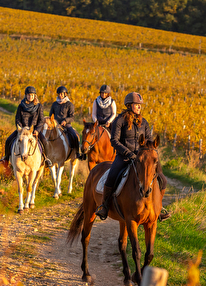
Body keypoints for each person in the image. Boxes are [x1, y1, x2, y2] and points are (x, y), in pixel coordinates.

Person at [95, 92, 170, 221]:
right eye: (137, 105)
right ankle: (104, 206)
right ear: (129, 105)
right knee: (112, 176)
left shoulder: (144, 122)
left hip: (142, 159)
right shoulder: (119, 120)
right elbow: (114, 141)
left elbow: (149, 141)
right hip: (124, 157)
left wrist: (148, 151)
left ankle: (158, 208)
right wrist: (128, 153)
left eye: (140, 105)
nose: (139, 107)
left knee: (162, 179)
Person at [0, 86, 52, 170]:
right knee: (8, 140)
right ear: (25, 95)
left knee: (45, 142)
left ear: (35, 96)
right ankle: (6, 159)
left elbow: (41, 120)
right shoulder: (21, 106)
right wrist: (20, 129)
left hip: (33, 130)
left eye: (32, 95)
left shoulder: (39, 106)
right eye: (28, 95)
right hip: (22, 131)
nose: (30, 97)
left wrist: (37, 130)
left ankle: (46, 159)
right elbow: (17, 118)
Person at [49, 86, 82, 159]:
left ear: (65, 94)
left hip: (66, 125)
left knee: (74, 136)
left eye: (61, 94)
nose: (60, 95)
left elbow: (72, 117)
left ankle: (77, 153)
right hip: (55, 124)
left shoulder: (69, 104)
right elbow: (51, 115)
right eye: (59, 94)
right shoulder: (54, 104)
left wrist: (65, 121)